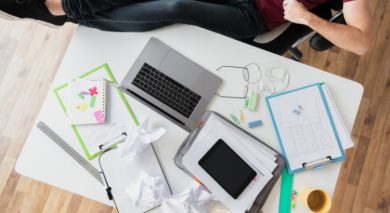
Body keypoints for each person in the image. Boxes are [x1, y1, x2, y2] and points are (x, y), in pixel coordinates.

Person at [0, 0, 371, 55]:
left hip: (250, 16)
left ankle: (62, 9)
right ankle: (64, 7)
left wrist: (310, 19)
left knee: (177, 6)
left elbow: (362, 44)